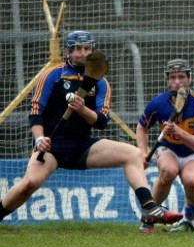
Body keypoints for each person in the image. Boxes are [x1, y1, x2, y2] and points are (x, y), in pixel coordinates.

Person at [0, 31, 183, 226]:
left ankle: (149, 207)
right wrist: (39, 139)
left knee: (134, 154)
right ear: (68, 52)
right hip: (52, 146)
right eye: (78, 49)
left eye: (87, 48)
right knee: (29, 184)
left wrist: (82, 109)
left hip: (82, 146)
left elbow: (101, 121)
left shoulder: (101, 82)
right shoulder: (53, 74)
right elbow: (36, 111)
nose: (83, 53)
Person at [136, 59, 194, 234]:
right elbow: (142, 127)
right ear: (167, 80)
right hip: (168, 148)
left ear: (189, 78)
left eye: (181, 77)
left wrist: (180, 132)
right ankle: (149, 218)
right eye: (172, 77)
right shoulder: (158, 104)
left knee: (191, 181)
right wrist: (142, 151)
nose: (177, 82)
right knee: (168, 171)